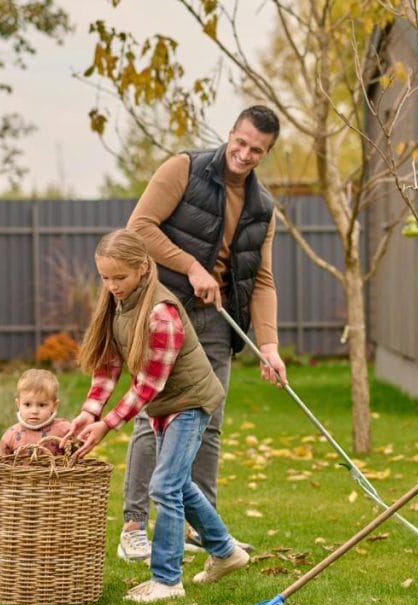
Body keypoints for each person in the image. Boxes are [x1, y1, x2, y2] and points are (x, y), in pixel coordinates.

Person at [117, 104, 287, 562]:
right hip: (166, 310)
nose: (245, 154)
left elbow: (262, 279)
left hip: (217, 319)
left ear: (265, 153)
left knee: (207, 423)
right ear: (230, 133)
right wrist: (191, 267)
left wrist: (269, 346)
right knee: (155, 414)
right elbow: (139, 229)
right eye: (241, 142)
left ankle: (203, 529)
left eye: (257, 150)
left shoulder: (262, 207)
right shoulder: (184, 168)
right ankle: (134, 526)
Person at [63, 229, 249, 602]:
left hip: (190, 402)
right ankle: (226, 552)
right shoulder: (120, 306)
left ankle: (166, 581)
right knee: (177, 484)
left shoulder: (161, 313)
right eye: (105, 277)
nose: (112, 285)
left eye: (121, 277)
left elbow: (148, 385)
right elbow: (108, 364)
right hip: (167, 406)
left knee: (164, 485)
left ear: (144, 268)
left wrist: (107, 425)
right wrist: (89, 412)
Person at [0, 368, 72, 456]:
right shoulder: (11, 435)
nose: (34, 411)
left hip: (57, 469)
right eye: (27, 405)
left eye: (42, 405)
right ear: (18, 404)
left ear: (54, 406)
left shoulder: (64, 430)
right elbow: (1, 463)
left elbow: (78, 456)